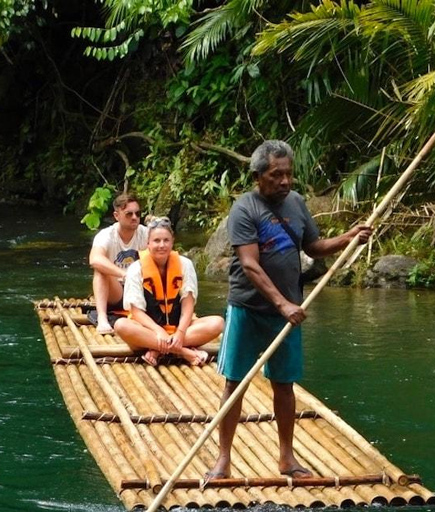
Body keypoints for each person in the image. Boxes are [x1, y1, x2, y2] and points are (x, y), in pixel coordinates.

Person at [206, 140, 371, 481]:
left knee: (285, 385)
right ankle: (223, 460)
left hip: (288, 310)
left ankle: (286, 458)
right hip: (249, 308)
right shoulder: (244, 210)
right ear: (258, 176)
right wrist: (281, 303)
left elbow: (313, 246)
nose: (284, 181)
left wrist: (348, 238)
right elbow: (250, 264)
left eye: (288, 174)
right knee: (234, 383)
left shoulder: (296, 203)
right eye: (276, 175)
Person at [114, 217, 225, 366]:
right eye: (156, 240)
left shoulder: (185, 264)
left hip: (179, 329)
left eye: (166, 240)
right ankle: (183, 351)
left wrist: (179, 333)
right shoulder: (136, 269)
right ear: (148, 243)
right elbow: (136, 312)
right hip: (148, 330)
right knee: (121, 326)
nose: (162, 245)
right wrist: (159, 331)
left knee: (217, 323)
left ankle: (157, 350)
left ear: (172, 242)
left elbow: (188, 304)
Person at [88, 193, 149, 334]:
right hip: (117, 290)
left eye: (137, 213)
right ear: (117, 216)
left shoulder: (146, 234)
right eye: (129, 214)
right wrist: (125, 274)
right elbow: (94, 259)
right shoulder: (106, 235)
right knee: (100, 269)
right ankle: (102, 319)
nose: (134, 217)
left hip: (140, 289)